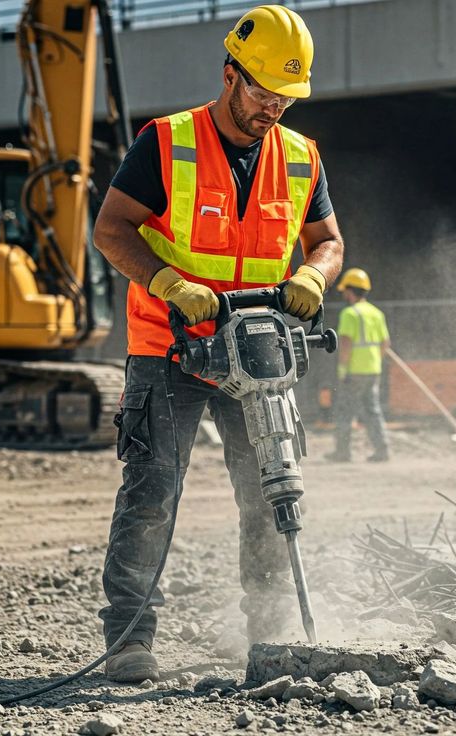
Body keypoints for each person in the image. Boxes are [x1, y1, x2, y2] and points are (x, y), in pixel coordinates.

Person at [92, 5, 344, 683]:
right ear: (230, 73)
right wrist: (170, 282)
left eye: (285, 98)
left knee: (269, 493)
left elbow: (328, 244)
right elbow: (111, 230)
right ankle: (130, 639)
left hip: (255, 349)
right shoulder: (166, 143)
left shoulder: (301, 157)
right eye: (262, 91)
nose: (272, 109)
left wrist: (313, 279)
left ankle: (269, 635)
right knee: (152, 492)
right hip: (168, 347)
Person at [325, 268, 391, 463]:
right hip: (373, 369)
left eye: (345, 289)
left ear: (350, 290)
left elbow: (345, 344)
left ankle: (343, 452)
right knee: (373, 411)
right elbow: (385, 343)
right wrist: (375, 361)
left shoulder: (349, 314)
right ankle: (382, 450)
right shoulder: (376, 313)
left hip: (354, 371)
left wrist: (343, 370)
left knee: (345, 411)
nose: (344, 293)